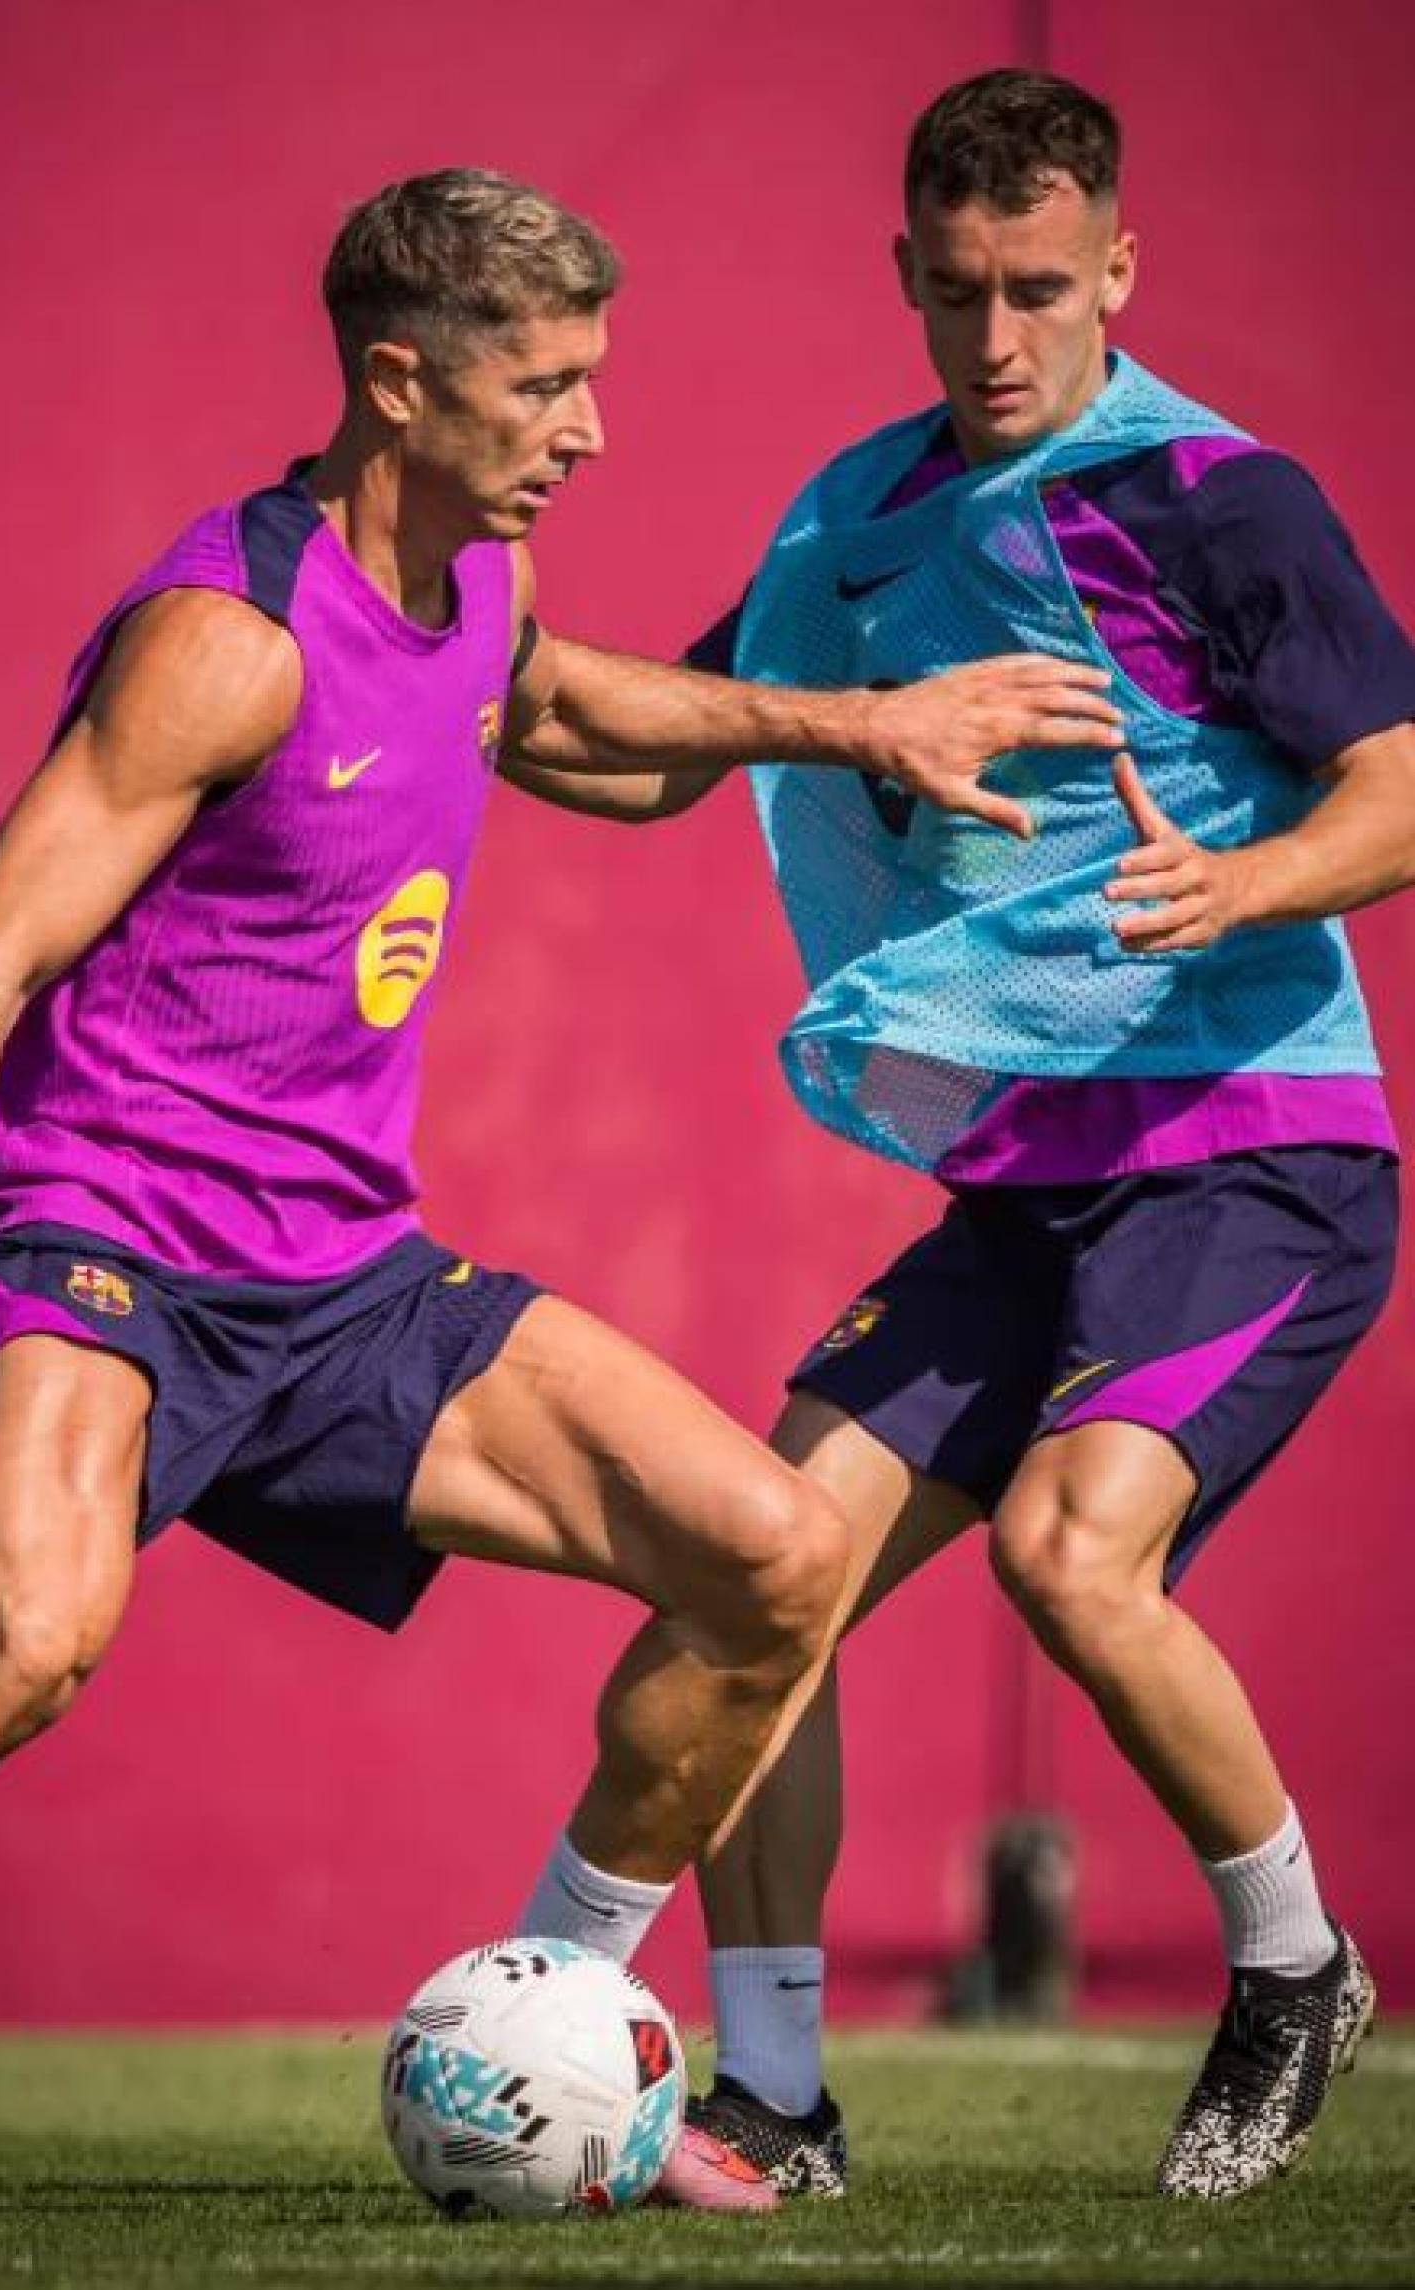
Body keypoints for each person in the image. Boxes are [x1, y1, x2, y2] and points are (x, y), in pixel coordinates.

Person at [0, 168, 1123, 2237]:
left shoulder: (472, 594)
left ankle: (548, 2022)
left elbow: (573, 707)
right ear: (398, 379)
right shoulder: (226, 640)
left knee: (767, 1550)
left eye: (589, 381)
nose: (587, 429)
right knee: (24, 1634)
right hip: (107, 1246)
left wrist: (855, 720)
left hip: (346, 1274)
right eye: (542, 387)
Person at [512, 74, 1415, 2206]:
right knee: (759, 1572)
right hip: (1020, 1188)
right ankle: (774, 2101)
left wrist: (1249, 883)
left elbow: (1390, 781)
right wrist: (429, 678)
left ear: (1116, 267)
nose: (995, 334)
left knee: (1066, 1553)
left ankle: (1291, 1966)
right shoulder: (852, 521)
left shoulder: (1212, 495)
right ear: (903, 274)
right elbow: (660, 761)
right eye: (953, 291)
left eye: (1036, 287)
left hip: (1249, 1147)